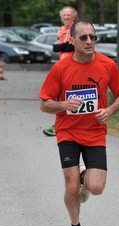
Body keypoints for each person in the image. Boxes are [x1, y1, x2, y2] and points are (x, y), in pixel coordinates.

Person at [38, 19, 119, 226]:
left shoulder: (108, 65)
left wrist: (109, 110)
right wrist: (63, 105)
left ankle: (84, 173)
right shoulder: (61, 68)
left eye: (93, 37)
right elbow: (44, 104)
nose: (89, 41)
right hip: (68, 131)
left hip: (95, 133)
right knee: (70, 186)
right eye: (83, 37)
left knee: (96, 188)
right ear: (72, 40)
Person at [42, 6, 78, 137]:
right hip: (61, 67)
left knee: (70, 95)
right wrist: (64, 45)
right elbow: (55, 48)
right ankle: (60, 125)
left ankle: (62, 126)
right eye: (64, 15)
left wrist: (63, 45)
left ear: (74, 16)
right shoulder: (62, 30)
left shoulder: (76, 28)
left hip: (74, 67)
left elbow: (71, 46)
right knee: (61, 96)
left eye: (69, 15)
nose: (67, 17)